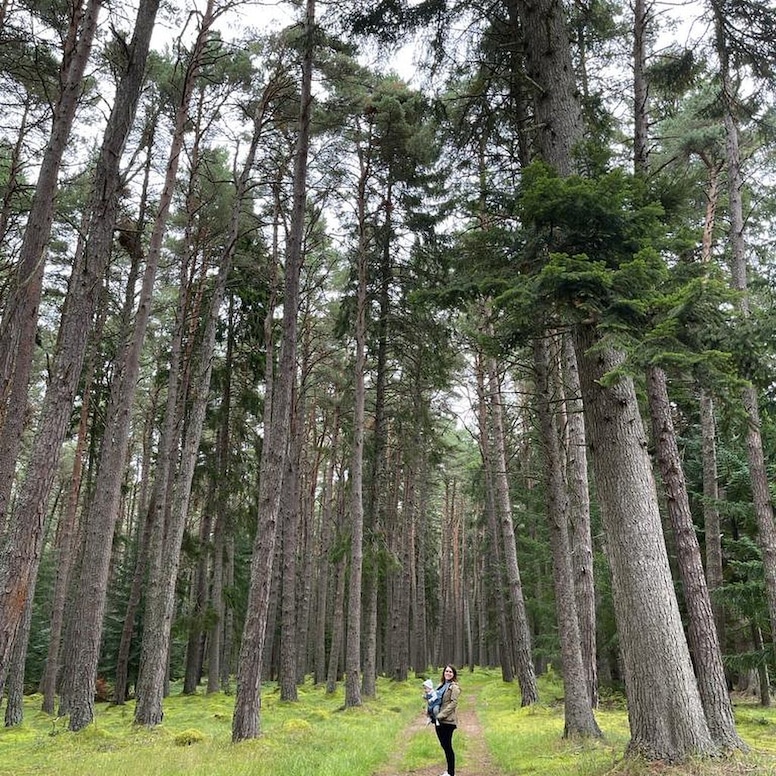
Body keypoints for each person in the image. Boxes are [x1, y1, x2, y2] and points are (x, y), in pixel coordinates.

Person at [432, 664, 460, 776]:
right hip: (438, 721)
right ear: (443, 673)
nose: (448, 673)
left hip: (448, 721)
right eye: (446, 671)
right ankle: (448, 771)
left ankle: (451, 772)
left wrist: (441, 715)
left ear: (453, 674)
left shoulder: (454, 687)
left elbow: (454, 703)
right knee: (444, 745)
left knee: (447, 746)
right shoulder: (440, 685)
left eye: (450, 672)